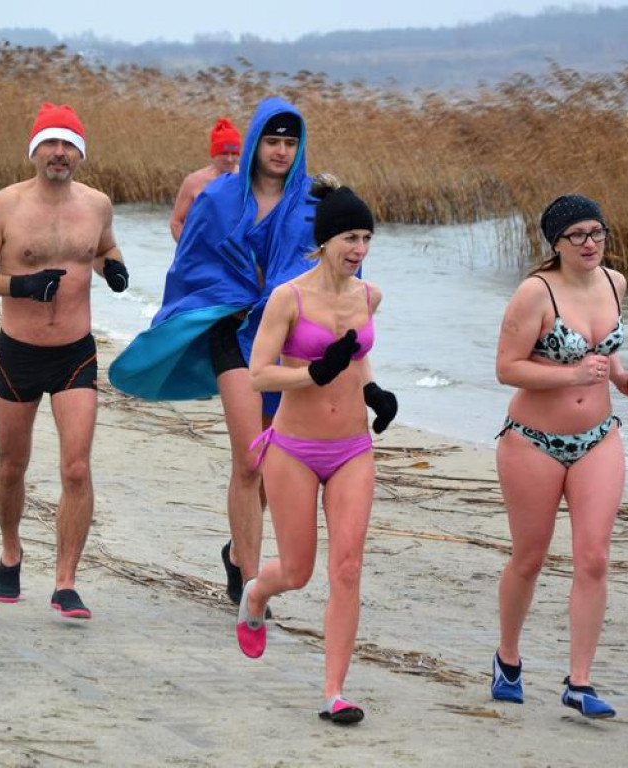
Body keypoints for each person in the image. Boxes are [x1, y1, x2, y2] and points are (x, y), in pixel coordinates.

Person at [110, 98, 397, 609]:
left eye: (291, 142)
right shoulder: (218, 198)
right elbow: (190, 263)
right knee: (248, 459)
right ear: (256, 142)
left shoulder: (313, 204)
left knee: (273, 458)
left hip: (289, 338)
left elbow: (339, 267)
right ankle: (247, 581)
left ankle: (236, 549)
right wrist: (222, 297)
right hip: (232, 331)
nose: (282, 151)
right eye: (273, 141)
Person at [0, 102, 129, 619]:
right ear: (36, 150)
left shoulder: (97, 204)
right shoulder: (4, 206)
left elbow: (102, 248)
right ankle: (11, 551)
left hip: (76, 353)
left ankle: (66, 582)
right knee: (13, 465)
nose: (60, 153)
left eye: (69, 144)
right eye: (51, 144)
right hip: (19, 353)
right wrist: (21, 285)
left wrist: (114, 267)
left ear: (80, 152)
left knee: (76, 467)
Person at [239, 177, 388, 725]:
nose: (360, 250)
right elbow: (258, 375)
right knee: (298, 571)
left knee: (347, 567)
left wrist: (373, 390)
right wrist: (311, 373)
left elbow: (359, 356)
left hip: (353, 447)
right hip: (295, 449)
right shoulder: (288, 297)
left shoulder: (369, 296)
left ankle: (334, 692)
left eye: (367, 239)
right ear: (324, 240)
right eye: (351, 237)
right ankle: (256, 593)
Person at [492, 194, 628, 719]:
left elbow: (604, 351)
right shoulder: (535, 293)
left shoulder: (614, 282)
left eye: (596, 232)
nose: (589, 243)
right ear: (555, 244)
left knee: (595, 557)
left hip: (598, 438)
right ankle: (507, 658)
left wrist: (621, 377)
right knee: (530, 558)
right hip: (533, 440)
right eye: (576, 235)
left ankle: (579, 681)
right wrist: (571, 376)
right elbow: (507, 367)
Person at [169, 117, 241, 242]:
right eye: (224, 153)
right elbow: (176, 222)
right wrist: (188, 250)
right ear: (214, 153)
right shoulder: (194, 182)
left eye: (234, 154)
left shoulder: (247, 179)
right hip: (201, 255)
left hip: (236, 254)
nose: (230, 159)